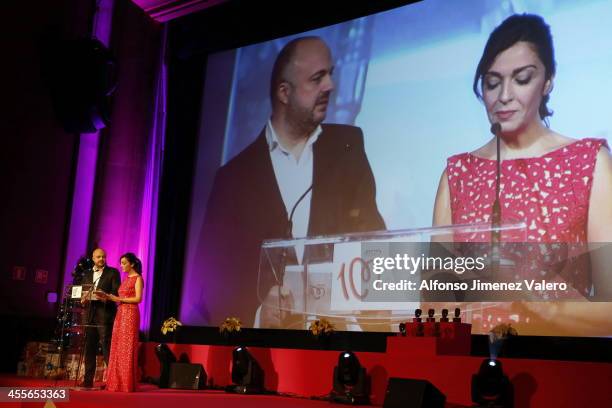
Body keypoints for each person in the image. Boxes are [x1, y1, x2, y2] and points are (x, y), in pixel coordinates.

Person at [432, 14, 612, 335]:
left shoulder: (588, 163)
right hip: (470, 369)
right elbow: (435, 304)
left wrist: (540, 306)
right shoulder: (456, 176)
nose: (504, 95)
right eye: (492, 82)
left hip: (560, 366)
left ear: (548, 81)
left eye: (522, 78)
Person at [199, 36, 385, 328]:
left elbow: (373, 238)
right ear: (284, 93)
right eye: (317, 78)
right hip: (270, 353)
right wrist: (260, 317)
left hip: (344, 340)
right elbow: (212, 281)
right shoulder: (232, 179)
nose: (330, 86)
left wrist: (367, 325)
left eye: (330, 74)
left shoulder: (348, 146)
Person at [99, 252, 143, 392]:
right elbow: (120, 297)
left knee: (127, 347)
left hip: (130, 314)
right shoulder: (125, 278)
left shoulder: (138, 278)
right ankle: (116, 381)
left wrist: (119, 299)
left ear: (132, 264)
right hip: (121, 313)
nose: (122, 266)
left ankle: (126, 383)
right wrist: (108, 297)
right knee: (117, 346)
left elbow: (138, 299)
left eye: (124, 263)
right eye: (121, 263)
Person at [80, 248, 120, 388]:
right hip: (89, 314)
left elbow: (116, 292)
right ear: (93, 258)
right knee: (89, 348)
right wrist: (82, 299)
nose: (101, 259)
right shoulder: (87, 273)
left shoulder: (113, 272)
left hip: (105, 315)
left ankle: (112, 381)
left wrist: (104, 297)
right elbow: (82, 291)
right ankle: (87, 380)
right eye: (98, 257)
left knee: (107, 348)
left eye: (103, 256)